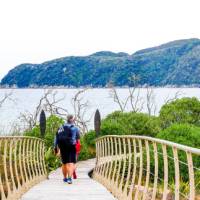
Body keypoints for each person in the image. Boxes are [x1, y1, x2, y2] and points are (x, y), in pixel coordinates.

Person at [54, 114, 80, 184]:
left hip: (62, 146)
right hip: (71, 146)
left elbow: (56, 139)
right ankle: (69, 178)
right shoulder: (74, 127)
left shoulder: (60, 127)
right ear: (72, 119)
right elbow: (77, 138)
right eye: (74, 119)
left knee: (64, 163)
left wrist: (56, 149)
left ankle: (65, 178)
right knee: (71, 163)